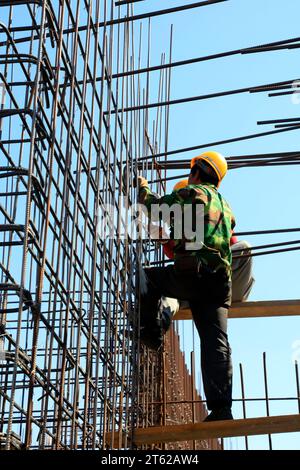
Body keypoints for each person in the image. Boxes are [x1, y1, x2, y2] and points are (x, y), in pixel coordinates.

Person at [137, 150, 235, 421]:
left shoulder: (192, 193)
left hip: (194, 275)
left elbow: (154, 206)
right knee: (216, 342)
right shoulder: (224, 205)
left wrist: (140, 186)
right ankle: (222, 409)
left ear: (196, 172)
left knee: (144, 278)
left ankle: (152, 333)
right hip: (220, 282)